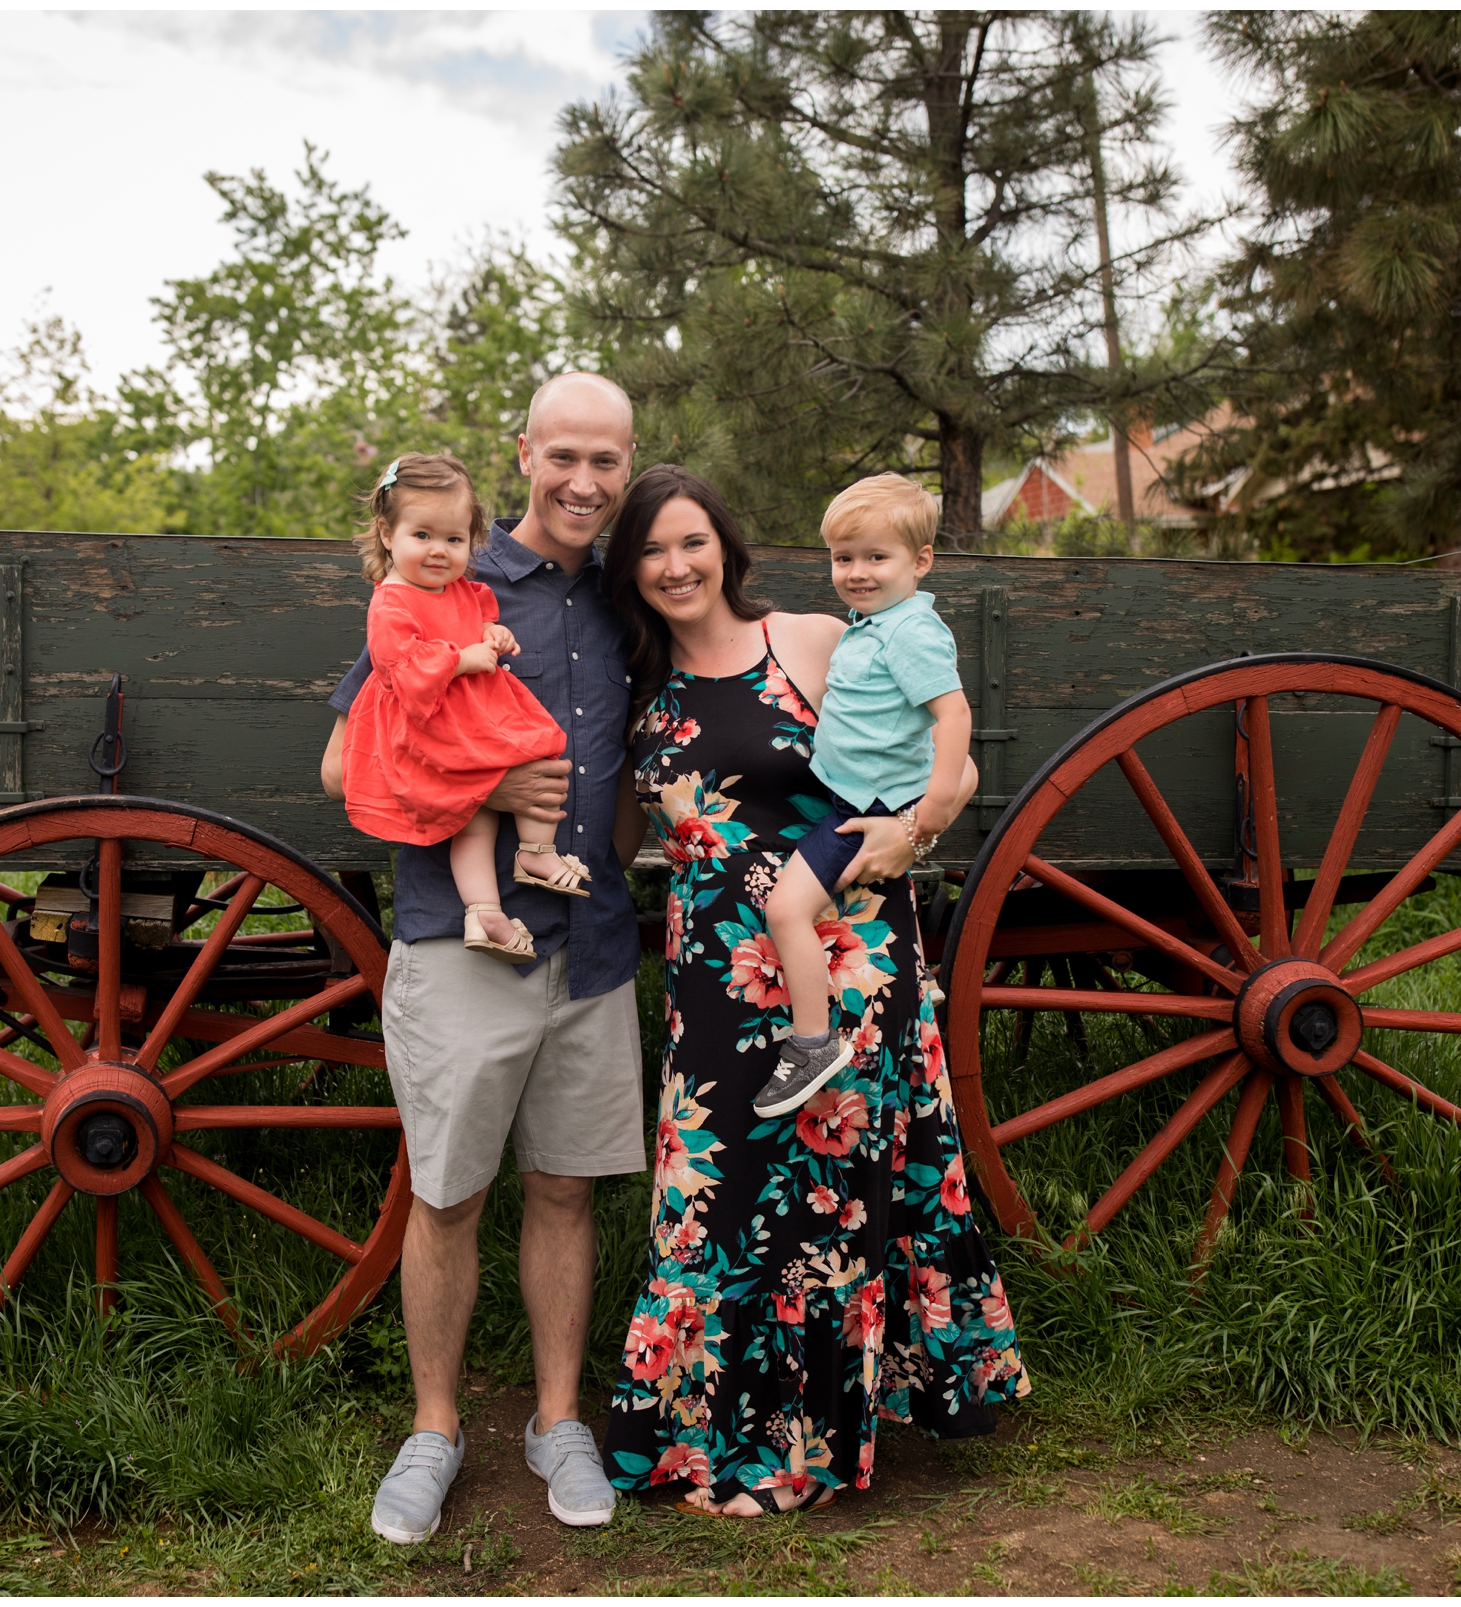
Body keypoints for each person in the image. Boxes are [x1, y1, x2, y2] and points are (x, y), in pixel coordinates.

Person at [598, 464, 1028, 1517]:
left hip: (845, 959)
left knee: (824, 1201)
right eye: (652, 549)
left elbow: (950, 760)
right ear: (630, 571)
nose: (675, 564)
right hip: (713, 973)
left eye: (692, 541)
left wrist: (910, 831)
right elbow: (618, 838)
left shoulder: (811, 638)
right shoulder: (631, 689)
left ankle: (805, 1451)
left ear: (726, 549)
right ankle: (705, 1439)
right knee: (715, 1198)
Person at [319, 374, 646, 1545]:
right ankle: (436, 1427)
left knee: (565, 1185)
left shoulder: (623, 600)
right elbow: (338, 768)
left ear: (626, 466)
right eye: (563, 455)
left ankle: (558, 1419)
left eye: (605, 461)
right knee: (447, 1192)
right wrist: (488, 785)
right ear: (523, 453)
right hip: (462, 939)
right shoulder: (443, 579)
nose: (583, 481)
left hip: (592, 937)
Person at [755, 474, 970, 1119]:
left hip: (866, 810)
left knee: (787, 911)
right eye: (844, 558)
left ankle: (813, 1042)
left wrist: (927, 815)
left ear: (920, 561)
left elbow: (953, 716)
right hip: (853, 795)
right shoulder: (877, 624)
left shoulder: (909, 633)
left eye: (876, 557)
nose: (856, 572)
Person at [339, 452, 592, 964]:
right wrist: (461, 658)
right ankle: (501, 890)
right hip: (429, 722)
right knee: (475, 810)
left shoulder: (456, 590)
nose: (439, 551)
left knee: (538, 755)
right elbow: (401, 667)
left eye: (454, 540)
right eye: (423, 536)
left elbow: (475, 621)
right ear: (388, 534)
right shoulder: (391, 601)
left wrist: (491, 633)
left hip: (472, 716)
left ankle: (518, 872)